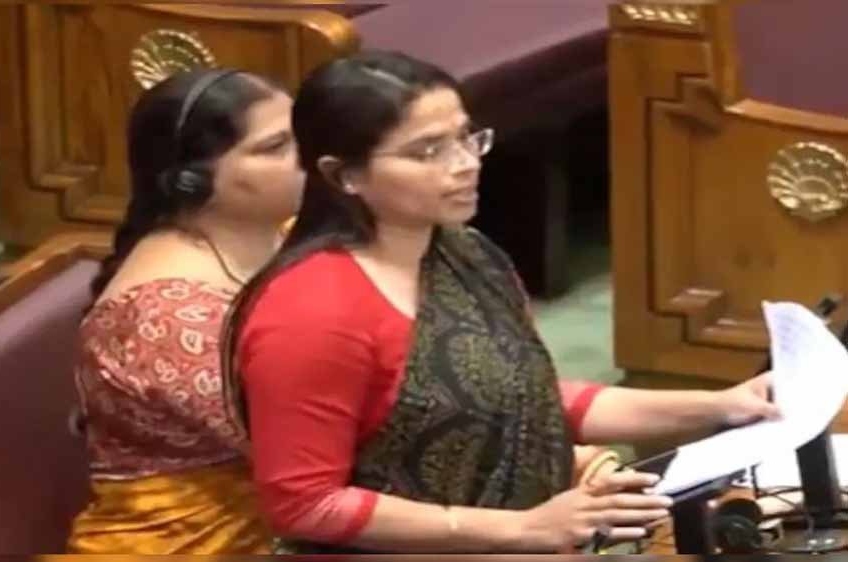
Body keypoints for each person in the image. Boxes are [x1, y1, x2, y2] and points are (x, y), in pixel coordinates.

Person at [221, 51, 778, 554]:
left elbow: (527, 398)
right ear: (343, 175)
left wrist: (722, 405)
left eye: (467, 138)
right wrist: (521, 529)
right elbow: (306, 505)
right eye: (428, 151)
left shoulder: (467, 252)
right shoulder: (309, 313)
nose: (465, 163)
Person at [67, 67, 303, 554]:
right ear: (192, 182)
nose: (311, 155)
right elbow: (314, 457)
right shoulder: (169, 318)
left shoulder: (280, 233)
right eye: (276, 147)